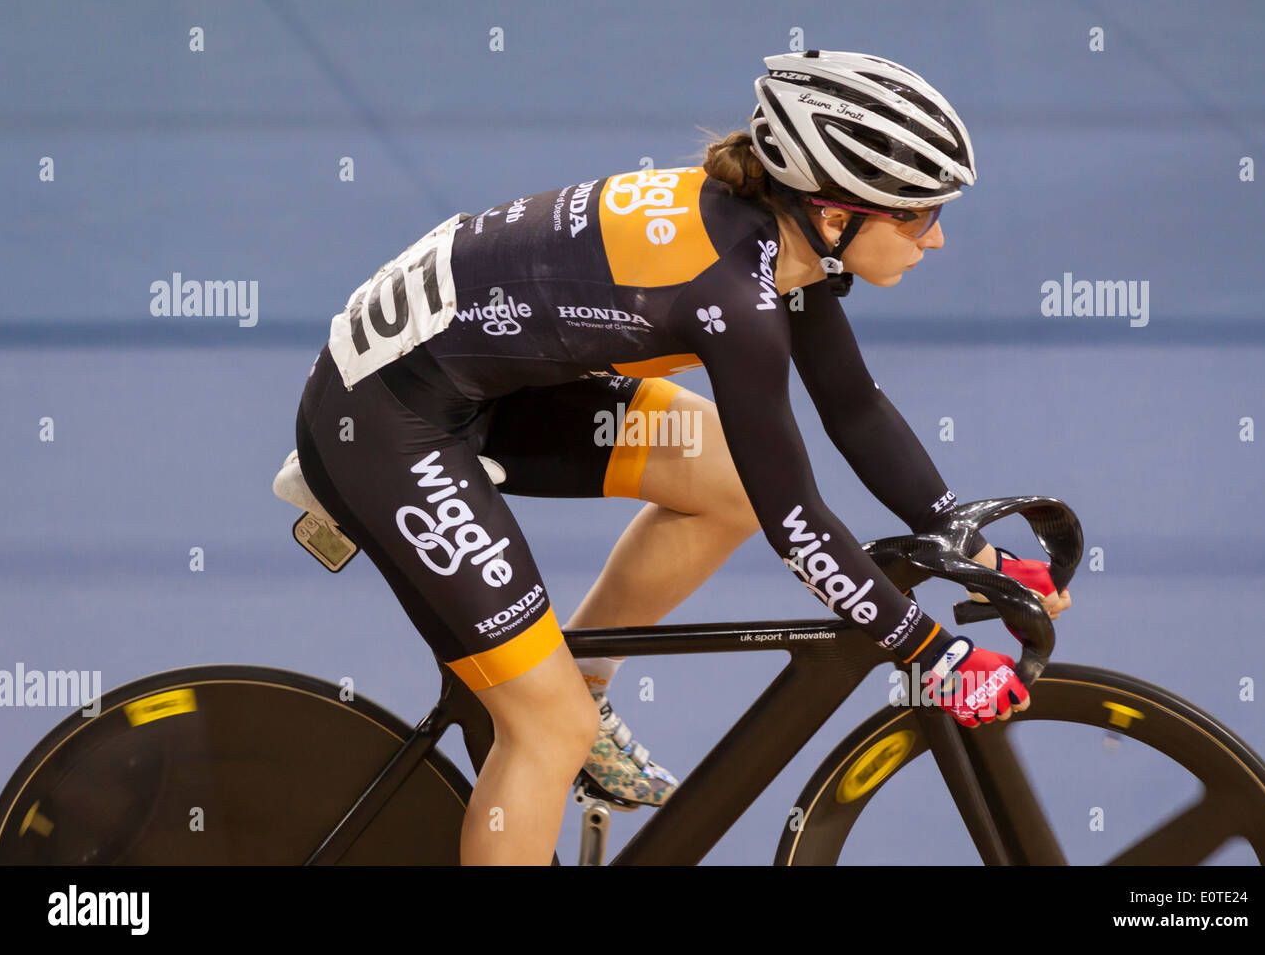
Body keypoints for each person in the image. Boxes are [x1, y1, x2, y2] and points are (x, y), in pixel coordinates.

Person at [292, 49, 1071, 865]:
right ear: (836, 215)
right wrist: (931, 652)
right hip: (388, 423)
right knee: (547, 726)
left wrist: (970, 542)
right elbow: (798, 525)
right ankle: (565, 720)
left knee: (726, 481)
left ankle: (585, 680)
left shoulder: (776, 239)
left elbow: (854, 406)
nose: (937, 239)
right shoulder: (731, 293)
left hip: (470, 383)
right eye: (918, 215)